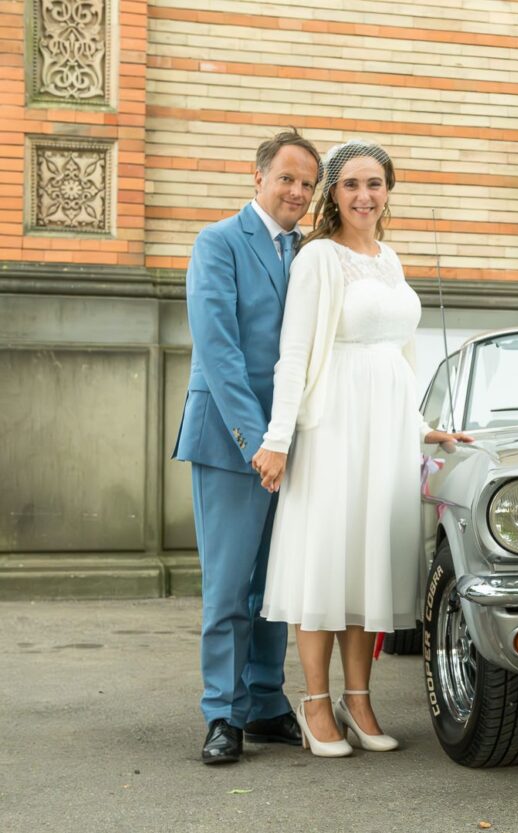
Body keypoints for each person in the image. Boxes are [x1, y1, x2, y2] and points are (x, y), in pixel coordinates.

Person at [251, 139, 472, 757]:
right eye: (350, 185)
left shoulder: (391, 260)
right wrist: (278, 439)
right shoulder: (318, 258)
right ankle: (316, 702)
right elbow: (293, 354)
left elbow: (401, 355)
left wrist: (420, 426)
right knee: (327, 559)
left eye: (374, 184)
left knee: (367, 563)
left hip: (385, 432)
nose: (363, 196)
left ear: (387, 191)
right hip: (332, 427)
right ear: (333, 194)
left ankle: (359, 699)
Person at [172, 130, 322, 764]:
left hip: (290, 442)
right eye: (286, 178)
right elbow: (220, 352)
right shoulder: (218, 243)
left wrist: (289, 439)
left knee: (274, 585)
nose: (296, 191)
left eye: (307, 184)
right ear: (257, 178)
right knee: (231, 587)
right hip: (232, 439)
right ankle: (222, 714)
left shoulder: (309, 252)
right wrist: (258, 441)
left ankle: (265, 703)